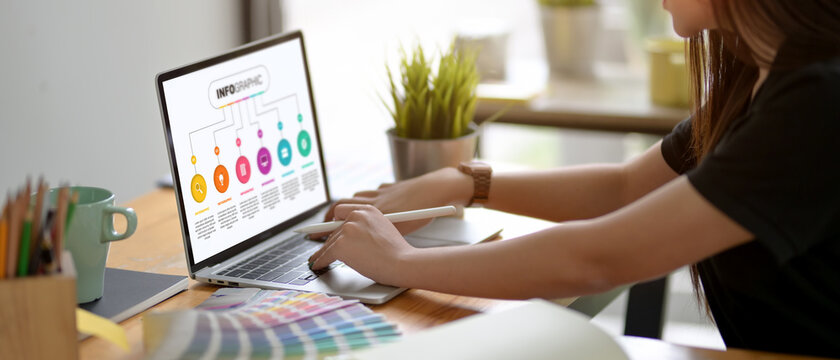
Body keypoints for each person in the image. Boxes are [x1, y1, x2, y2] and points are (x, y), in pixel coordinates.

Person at [309, 0, 840, 357]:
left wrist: (402, 262)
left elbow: (597, 258)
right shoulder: (762, 75)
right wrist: (464, 181)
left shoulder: (816, 101)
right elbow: (626, 188)